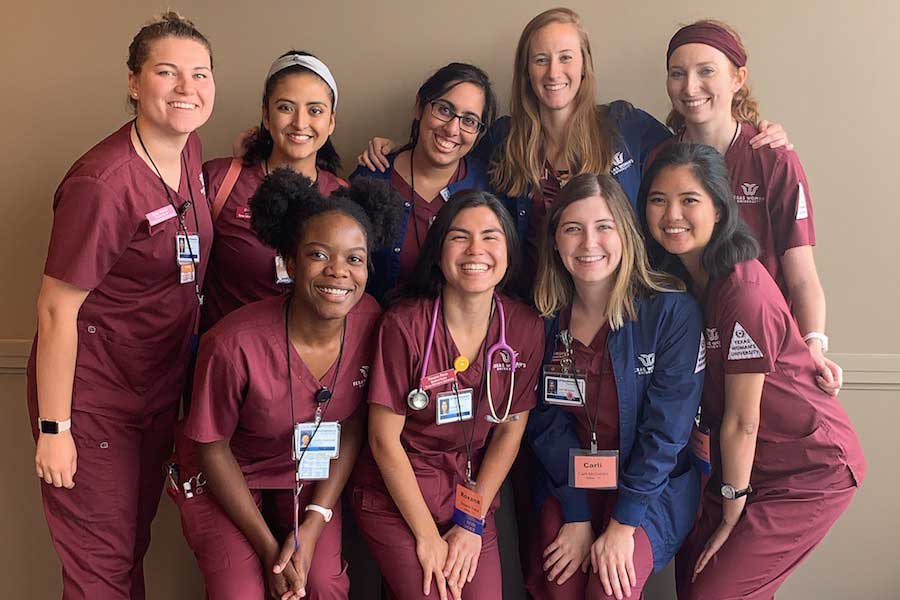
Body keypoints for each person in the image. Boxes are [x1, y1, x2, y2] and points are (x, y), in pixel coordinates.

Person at [357, 8, 790, 290]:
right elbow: (449, 149)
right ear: (526, 72)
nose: (553, 72)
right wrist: (399, 147)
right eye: (540, 59)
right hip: (531, 313)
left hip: (627, 311)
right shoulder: (503, 139)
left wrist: (751, 127)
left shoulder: (627, 126)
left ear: (584, 66)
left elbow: (692, 157)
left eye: (566, 57)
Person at [25, 12, 214, 599]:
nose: (188, 88)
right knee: (99, 570)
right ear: (134, 82)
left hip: (154, 393)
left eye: (201, 73)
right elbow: (57, 310)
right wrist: (55, 428)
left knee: (128, 550)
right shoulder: (102, 184)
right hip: (93, 404)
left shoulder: (188, 152)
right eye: (167, 72)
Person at [639, 143, 865, 600]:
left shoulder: (743, 290)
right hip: (746, 465)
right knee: (694, 582)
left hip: (807, 470)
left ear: (720, 210)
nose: (671, 214)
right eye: (658, 199)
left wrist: (729, 509)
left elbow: (744, 421)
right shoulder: (681, 284)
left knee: (715, 594)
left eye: (689, 200)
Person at [174, 170, 401, 599]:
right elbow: (211, 446)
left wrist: (314, 522)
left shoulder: (371, 320)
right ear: (291, 263)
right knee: (240, 592)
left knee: (324, 584)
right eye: (319, 255)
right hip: (228, 476)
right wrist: (269, 550)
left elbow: (352, 423)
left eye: (354, 259)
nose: (338, 272)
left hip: (305, 476)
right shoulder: (232, 344)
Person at [349, 191, 544, 599]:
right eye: (460, 237)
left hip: (466, 491)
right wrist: (427, 537)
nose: (476, 250)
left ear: (509, 251)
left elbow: (509, 432)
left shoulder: (525, 328)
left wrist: (470, 524)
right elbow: (383, 441)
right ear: (438, 252)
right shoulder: (404, 326)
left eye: (491, 236)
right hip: (396, 495)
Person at [523, 173, 704, 600]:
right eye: (573, 229)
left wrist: (623, 525)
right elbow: (544, 421)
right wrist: (576, 511)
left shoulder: (671, 313)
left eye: (604, 227)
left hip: (649, 489)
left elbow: (666, 433)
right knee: (559, 584)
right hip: (572, 480)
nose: (589, 243)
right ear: (554, 241)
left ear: (626, 232)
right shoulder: (544, 318)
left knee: (610, 589)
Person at [656, 19, 841, 394]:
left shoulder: (773, 160)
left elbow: (802, 275)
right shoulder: (660, 159)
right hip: (682, 351)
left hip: (762, 352)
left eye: (706, 71)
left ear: (738, 78)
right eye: (678, 74)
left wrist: (813, 345)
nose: (690, 87)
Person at [201, 50, 348, 331]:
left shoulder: (342, 196)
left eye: (315, 110)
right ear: (266, 116)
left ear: (331, 122)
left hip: (309, 361)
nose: (300, 123)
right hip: (227, 359)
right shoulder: (220, 181)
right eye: (285, 107)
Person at [349, 62, 498, 302]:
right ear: (419, 107)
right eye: (444, 109)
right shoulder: (373, 176)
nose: (452, 128)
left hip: (455, 335)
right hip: (376, 330)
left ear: (479, 133)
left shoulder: (487, 188)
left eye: (469, 120)